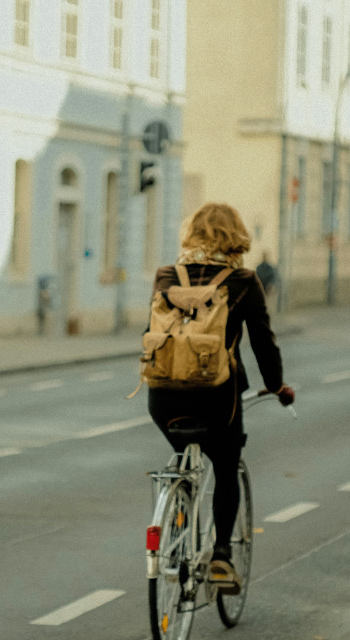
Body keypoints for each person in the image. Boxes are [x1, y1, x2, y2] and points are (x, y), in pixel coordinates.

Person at [147, 202, 294, 592]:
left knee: (182, 455)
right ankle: (222, 556)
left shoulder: (166, 276)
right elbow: (264, 344)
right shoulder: (243, 281)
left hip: (163, 398)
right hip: (217, 399)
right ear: (236, 238)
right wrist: (278, 386)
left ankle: (175, 527)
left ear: (190, 234)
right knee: (227, 465)